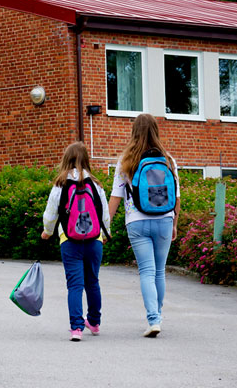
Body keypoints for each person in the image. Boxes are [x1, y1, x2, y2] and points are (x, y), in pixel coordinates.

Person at [108, 113, 180, 338]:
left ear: (134, 131)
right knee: (159, 271)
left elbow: (116, 197)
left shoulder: (126, 160)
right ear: (156, 131)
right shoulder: (168, 160)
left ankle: (153, 320)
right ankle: (156, 316)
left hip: (137, 222)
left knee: (147, 271)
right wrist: (174, 223)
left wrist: (105, 226)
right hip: (165, 220)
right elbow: (176, 197)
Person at [41, 141, 110, 342]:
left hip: (69, 240)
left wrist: (47, 231)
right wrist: (104, 235)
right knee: (93, 281)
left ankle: (77, 328)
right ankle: (94, 323)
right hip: (94, 240)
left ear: (66, 159)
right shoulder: (96, 185)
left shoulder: (60, 185)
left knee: (75, 285)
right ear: (86, 160)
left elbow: (50, 213)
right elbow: (104, 214)